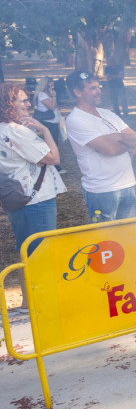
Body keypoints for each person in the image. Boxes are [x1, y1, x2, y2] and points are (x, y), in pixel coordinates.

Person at [0, 83, 66, 307]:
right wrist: (45, 130)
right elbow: (54, 158)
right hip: (37, 199)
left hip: (17, 198)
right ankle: (44, 304)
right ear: (9, 104)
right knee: (41, 254)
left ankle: (29, 304)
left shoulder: (3, 130)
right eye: (23, 100)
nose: (29, 104)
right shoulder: (17, 131)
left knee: (25, 252)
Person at [65, 73, 136, 222]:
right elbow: (110, 150)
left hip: (127, 184)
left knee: (129, 233)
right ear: (78, 92)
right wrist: (127, 145)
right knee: (106, 236)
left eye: (98, 87)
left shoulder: (107, 114)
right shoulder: (76, 120)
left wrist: (118, 137)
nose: (99, 91)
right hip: (102, 190)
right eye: (92, 88)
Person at [32, 78, 62, 146]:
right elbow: (51, 107)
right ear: (45, 86)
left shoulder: (47, 93)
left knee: (54, 141)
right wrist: (54, 96)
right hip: (49, 122)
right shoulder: (42, 94)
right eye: (50, 86)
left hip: (53, 121)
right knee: (52, 143)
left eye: (53, 85)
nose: (52, 87)